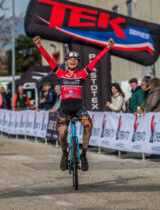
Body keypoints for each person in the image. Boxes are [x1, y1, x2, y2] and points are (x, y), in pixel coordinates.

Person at [33, 35, 114, 171]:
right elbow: (48, 59)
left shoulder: (82, 74)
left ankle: (83, 155)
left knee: (87, 126)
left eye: (75, 60)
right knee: (62, 133)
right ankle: (65, 154)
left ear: (77, 63)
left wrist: (107, 48)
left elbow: (96, 60)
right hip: (65, 108)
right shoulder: (60, 74)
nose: (72, 61)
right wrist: (39, 45)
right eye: (70, 59)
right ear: (66, 62)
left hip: (78, 107)